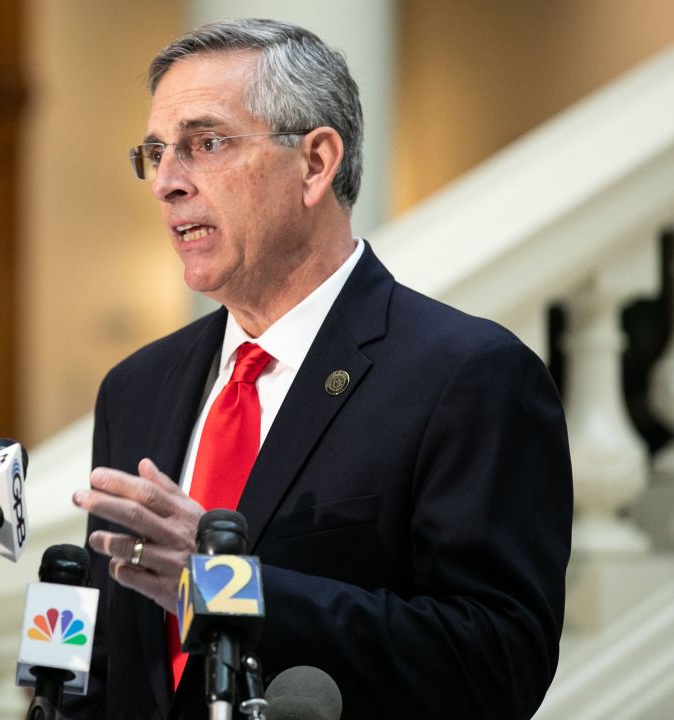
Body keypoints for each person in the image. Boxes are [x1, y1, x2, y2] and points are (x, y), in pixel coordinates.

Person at [65, 18, 571, 720]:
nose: (168, 184)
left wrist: (226, 587)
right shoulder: (136, 388)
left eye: (205, 144)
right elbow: (107, 666)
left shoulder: (468, 376)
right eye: (156, 154)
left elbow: (495, 662)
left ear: (315, 163)